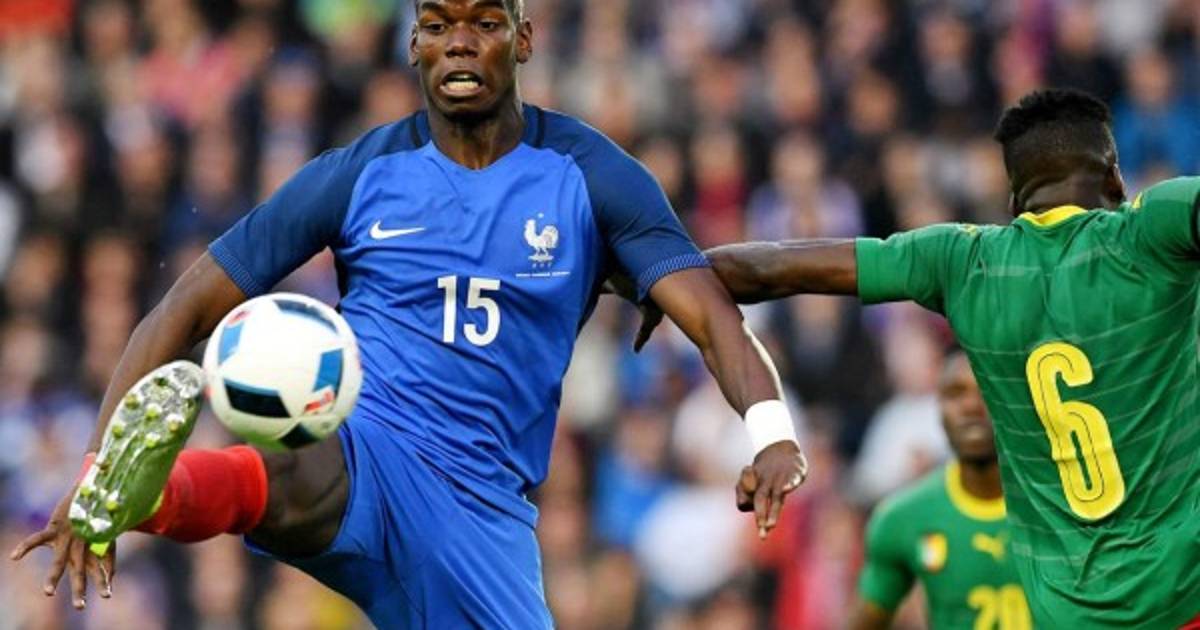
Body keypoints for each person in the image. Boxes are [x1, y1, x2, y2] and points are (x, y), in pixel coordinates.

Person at [8, 1, 808, 627]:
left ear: (524, 40)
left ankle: (157, 493)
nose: (460, 42)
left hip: (480, 512)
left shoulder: (592, 176)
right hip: (371, 446)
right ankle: (146, 495)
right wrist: (90, 477)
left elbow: (711, 315)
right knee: (286, 466)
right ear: (414, 45)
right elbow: (182, 308)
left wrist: (773, 434)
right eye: (437, 24)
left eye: (485, 23)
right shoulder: (356, 176)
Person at [638, 88, 1200, 627]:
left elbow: (770, 267)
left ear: (1014, 202)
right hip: (1185, 596)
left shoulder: (962, 261)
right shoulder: (1154, 229)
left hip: (1068, 617)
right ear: (1115, 178)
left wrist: (652, 279)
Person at [850, 351, 1029, 629]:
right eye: (955, 393)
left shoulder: (1062, 505)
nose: (971, 406)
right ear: (938, 408)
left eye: (986, 390)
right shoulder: (903, 518)